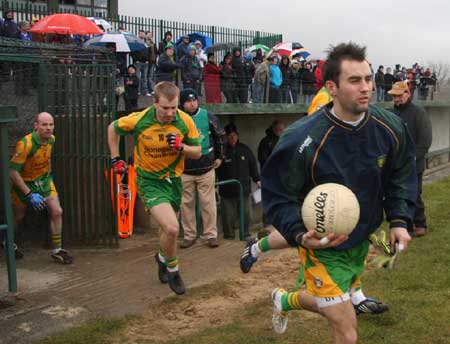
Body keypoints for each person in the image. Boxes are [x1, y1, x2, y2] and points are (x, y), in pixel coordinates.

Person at [261, 42, 417, 341]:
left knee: (332, 301)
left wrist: (399, 219)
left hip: (361, 239)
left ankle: (283, 300)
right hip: (322, 246)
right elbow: (278, 195)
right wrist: (297, 234)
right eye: (355, 80)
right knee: (346, 330)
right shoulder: (302, 139)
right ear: (332, 88)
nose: (366, 88)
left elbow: (401, 174)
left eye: (368, 79)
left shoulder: (390, 127)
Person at [107, 82, 201, 295]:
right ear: (155, 103)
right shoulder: (140, 119)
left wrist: (180, 147)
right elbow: (112, 128)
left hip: (174, 180)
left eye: (173, 108)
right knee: (172, 228)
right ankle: (173, 269)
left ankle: (161, 257)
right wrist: (115, 159)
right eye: (165, 108)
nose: (169, 113)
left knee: (168, 231)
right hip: (148, 181)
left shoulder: (185, 121)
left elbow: (197, 152)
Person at [9, 112, 73, 264]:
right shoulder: (26, 144)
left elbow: (47, 157)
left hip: (43, 181)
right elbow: (12, 171)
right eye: (44, 125)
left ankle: (57, 250)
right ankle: (8, 241)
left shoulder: (51, 139)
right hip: (24, 183)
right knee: (18, 216)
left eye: (51, 124)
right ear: (36, 126)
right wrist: (29, 193)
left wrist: (49, 175)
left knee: (57, 211)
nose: (48, 128)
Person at [179, 88, 226, 249]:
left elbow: (220, 136)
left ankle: (211, 235)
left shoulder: (208, 116)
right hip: (185, 169)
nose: (192, 104)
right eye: (188, 101)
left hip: (206, 167)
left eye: (194, 100)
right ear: (182, 103)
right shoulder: (179, 118)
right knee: (186, 205)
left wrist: (220, 157)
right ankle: (189, 235)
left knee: (208, 204)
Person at [388, 81, 432, 237]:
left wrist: (413, 159)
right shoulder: (392, 113)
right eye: (394, 96)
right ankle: (405, 224)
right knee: (398, 194)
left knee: (415, 193)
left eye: (399, 95)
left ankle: (420, 224)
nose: (397, 99)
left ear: (407, 94)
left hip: (414, 163)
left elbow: (425, 140)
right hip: (397, 163)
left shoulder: (419, 113)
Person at [217, 124, 261, 239]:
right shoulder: (222, 151)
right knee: (228, 216)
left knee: (247, 214)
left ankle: (245, 233)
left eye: (234, 135)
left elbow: (253, 166)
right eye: (229, 136)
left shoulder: (245, 149)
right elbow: (216, 169)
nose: (232, 138)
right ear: (225, 137)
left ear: (237, 135)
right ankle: (229, 235)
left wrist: (257, 180)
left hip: (244, 189)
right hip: (227, 191)